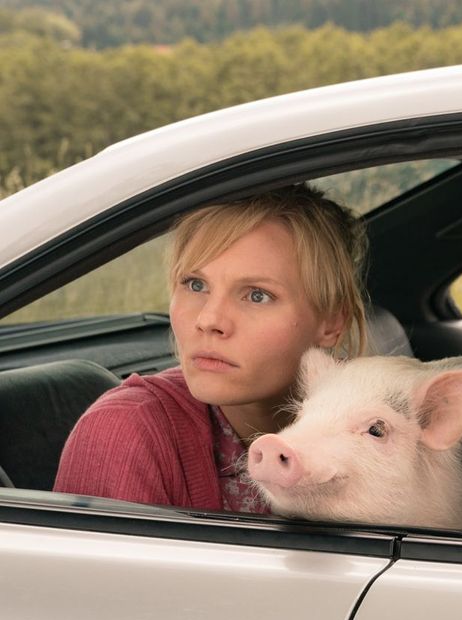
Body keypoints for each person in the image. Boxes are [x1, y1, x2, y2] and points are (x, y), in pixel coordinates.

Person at [54, 183, 369, 513]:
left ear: (332, 322)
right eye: (196, 284)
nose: (208, 320)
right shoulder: (123, 433)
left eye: (257, 295)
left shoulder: (385, 433)